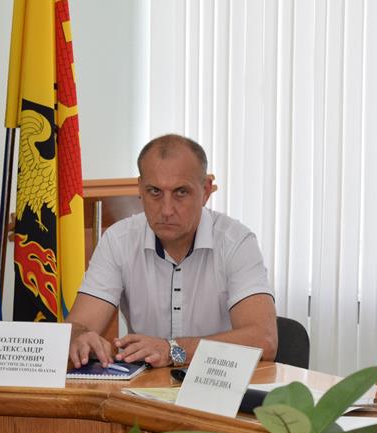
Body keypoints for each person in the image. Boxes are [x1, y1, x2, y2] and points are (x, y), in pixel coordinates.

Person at [66, 134, 277, 368]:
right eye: (155, 192)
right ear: (140, 189)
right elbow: (78, 326)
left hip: (218, 381)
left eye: (181, 192)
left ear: (206, 191)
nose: (166, 210)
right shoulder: (119, 240)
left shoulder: (236, 241)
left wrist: (173, 350)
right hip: (146, 386)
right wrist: (80, 338)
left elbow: (264, 340)